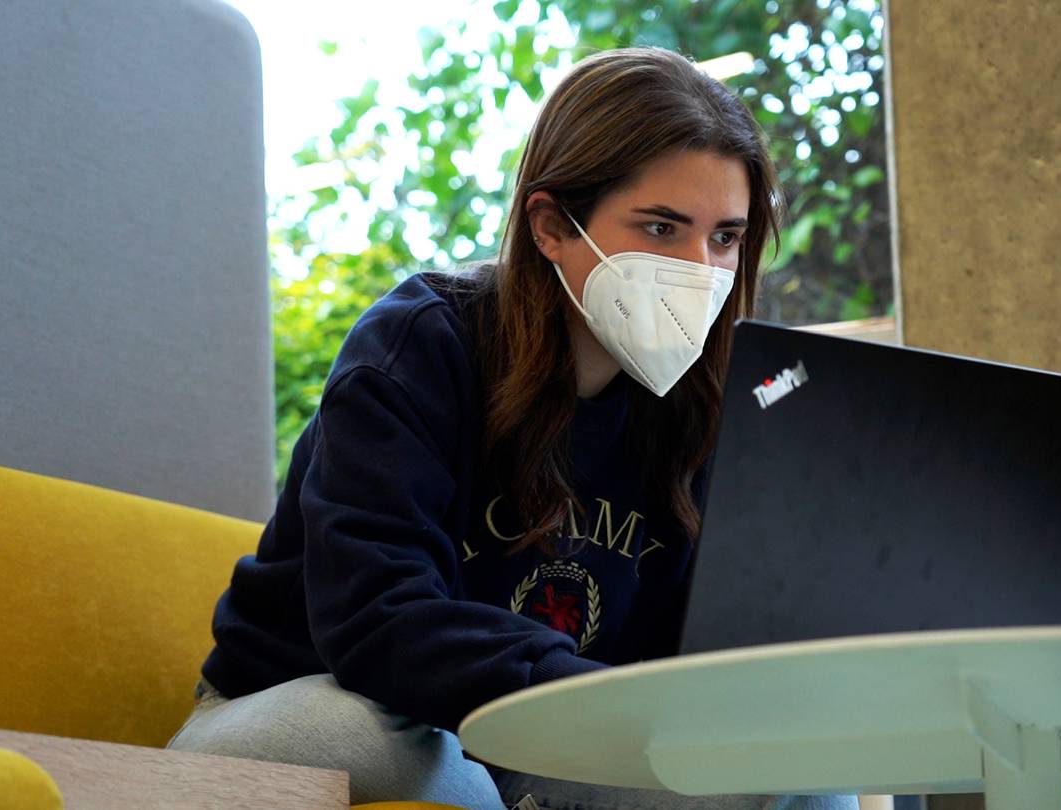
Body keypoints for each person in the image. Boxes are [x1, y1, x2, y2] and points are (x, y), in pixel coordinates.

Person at [166, 46, 859, 810]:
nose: (699, 268)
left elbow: (690, 661)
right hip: (330, 706)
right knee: (431, 765)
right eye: (661, 228)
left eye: (724, 237)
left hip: (547, 735)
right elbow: (378, 624)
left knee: (805, 784)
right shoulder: (421, 346)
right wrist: (600, 713)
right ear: (552, 225)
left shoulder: (706, 402)